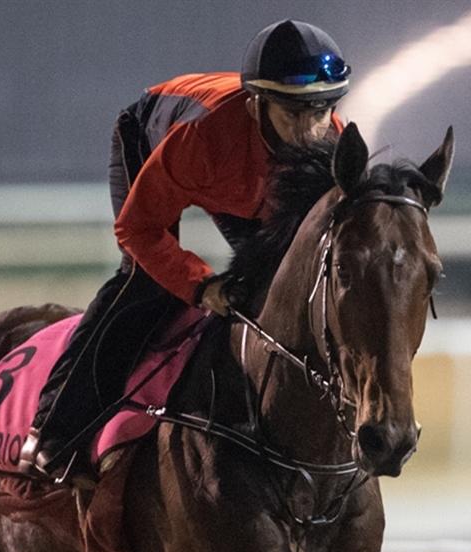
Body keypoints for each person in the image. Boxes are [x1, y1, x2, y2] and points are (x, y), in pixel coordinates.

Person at [19, 19, 350, 482]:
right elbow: (137, 229)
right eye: (293, 113)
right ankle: (54, 432)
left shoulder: (333, 144)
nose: (310, 130)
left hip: (243, 179)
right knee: (149, 283)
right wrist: (201, 287)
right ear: (256, 106)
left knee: (276, 284)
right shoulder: (202, 141)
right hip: (152, 137)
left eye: (320, 111)